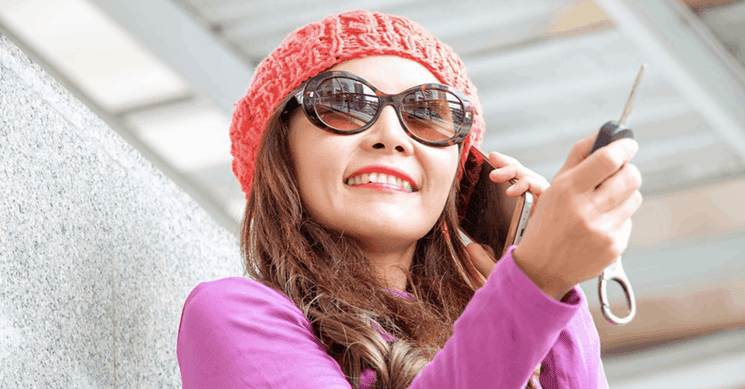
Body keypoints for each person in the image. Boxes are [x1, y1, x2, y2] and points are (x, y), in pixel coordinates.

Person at [176, 9, 641, 389]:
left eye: (428, 114)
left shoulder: (507, 327)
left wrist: (553, 296)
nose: (392, 136)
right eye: (344, 103)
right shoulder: (232, 316)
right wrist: (535, 281)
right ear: (280, 154)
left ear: (461, 176)